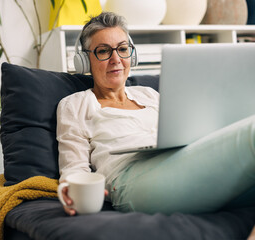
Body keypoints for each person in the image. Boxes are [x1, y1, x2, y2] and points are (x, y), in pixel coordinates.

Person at [56, 12, 255, 218]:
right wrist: (73, 190)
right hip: (131, 181)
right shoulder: (75, 104)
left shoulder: (149, 94)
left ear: (131, 55)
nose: (116, 59)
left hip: (182, 160)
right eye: (104, 51)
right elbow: (74, 166)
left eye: (123, 49)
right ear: (85, 61)